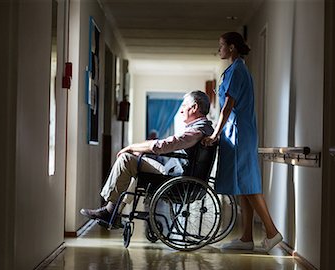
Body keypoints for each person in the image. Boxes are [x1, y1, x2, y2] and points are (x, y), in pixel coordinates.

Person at [80, 90, 214, 226]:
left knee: (126, 159)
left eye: (184, 106)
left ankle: (110, 211)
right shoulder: (204, 129)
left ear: (195, 107)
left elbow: (163, 145)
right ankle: (114, 212)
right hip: (176, 174)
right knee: (133, 161)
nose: (181, 111)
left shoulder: (196, 131)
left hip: (175, 178)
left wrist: (132, 147)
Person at [202, 32, 283, 252]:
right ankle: (247, 238)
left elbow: (228, 105)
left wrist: (215, 134)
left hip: (237, 133)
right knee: (244, 184)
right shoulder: (236, 70)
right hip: (239, 133)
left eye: (221, 45)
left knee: (248, 185)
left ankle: (272, 232)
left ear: (232, 47)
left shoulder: (237, 70)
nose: (219, 49)